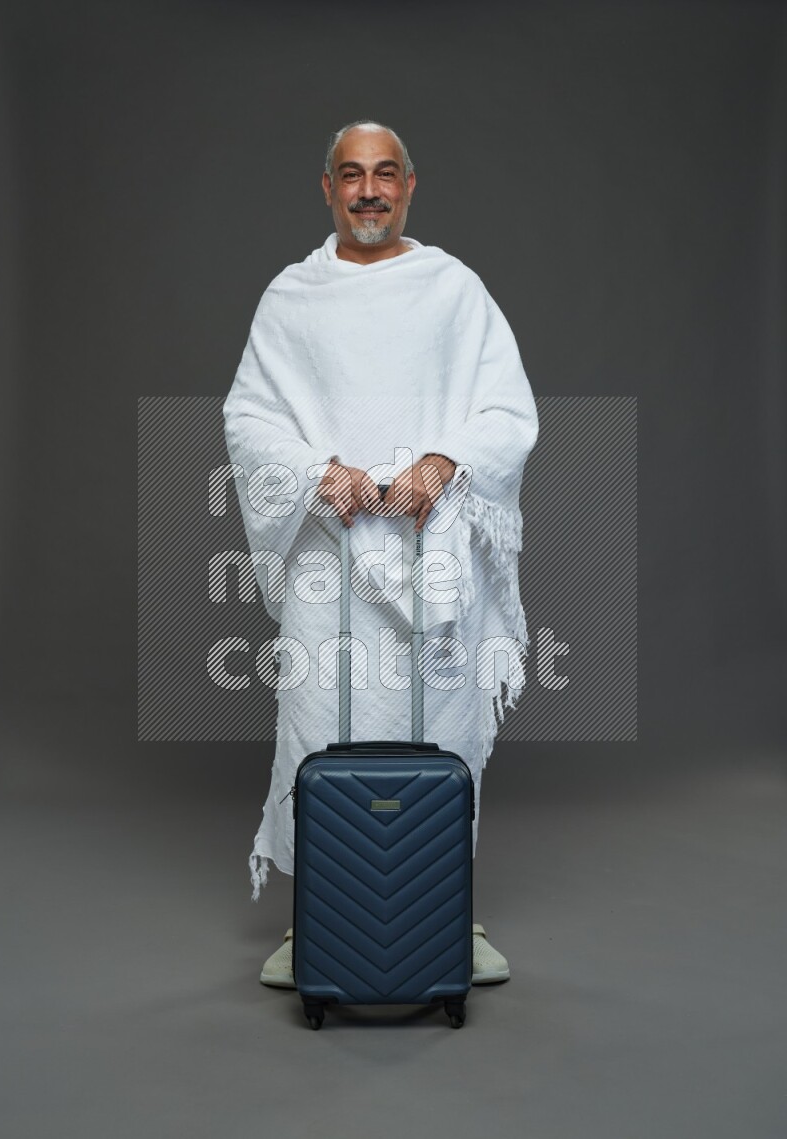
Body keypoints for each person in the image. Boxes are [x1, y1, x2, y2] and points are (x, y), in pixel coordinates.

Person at [223, 119, 538, 988]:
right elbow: (248, 421)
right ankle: (315, 919)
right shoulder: (292, 297)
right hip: (330, 562)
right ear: (326, 188)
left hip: (434, 562)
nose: (369, 190)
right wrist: (316, 471)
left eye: (386, 174)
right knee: (319, 727)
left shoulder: (454, 291)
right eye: (351, 175)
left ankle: (448, 917)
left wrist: (442, 462)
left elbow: (506, 411)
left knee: (443, 730)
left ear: (409, 186)